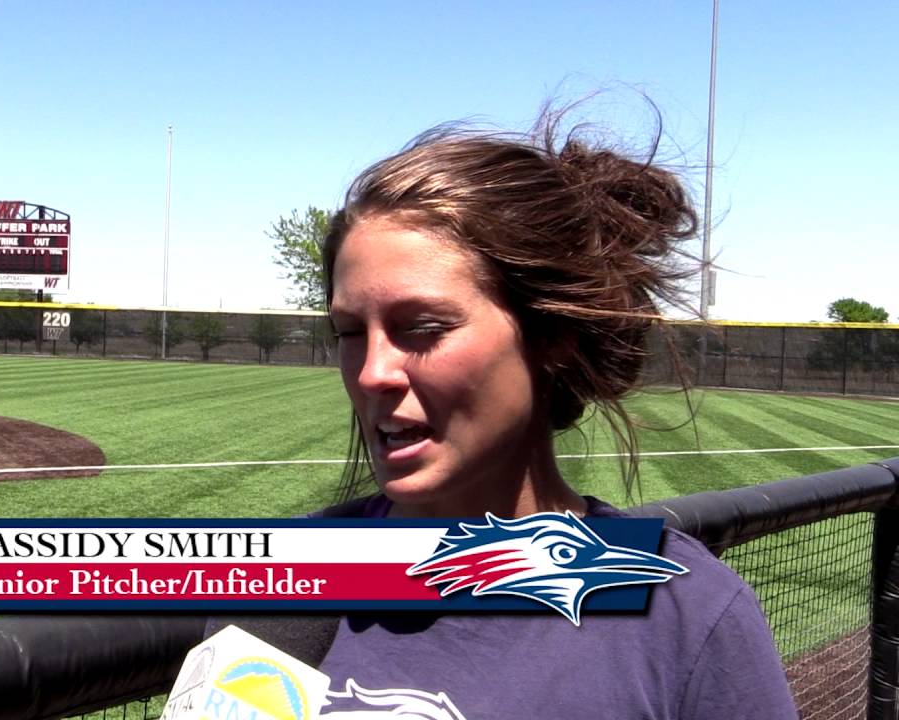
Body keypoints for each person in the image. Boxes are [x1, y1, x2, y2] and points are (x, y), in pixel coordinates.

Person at [307, 110, 799, 719]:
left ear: (553, 336)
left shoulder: (683, 615)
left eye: (424, 327)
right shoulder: (291, 570)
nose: (371, 371)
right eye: (349, 331)